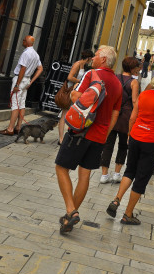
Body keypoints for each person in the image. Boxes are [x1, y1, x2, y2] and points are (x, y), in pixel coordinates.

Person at [55, 45, 123, 234]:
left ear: (103, 59)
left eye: (96, 55)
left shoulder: (92, 75)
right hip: (100, 136)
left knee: (61, 168)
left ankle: (71, 210)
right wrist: (105, 134)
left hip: (80, 131)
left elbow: (76, 97)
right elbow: (115, 114)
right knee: (84, 176)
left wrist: (77, 95)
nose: (93, 57)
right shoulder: (117, 84)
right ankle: (69, 217)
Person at [105, 71, 154, 225]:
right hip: (151, 141)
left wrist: (130, 134)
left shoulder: (143, 95)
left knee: (130, 170)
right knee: (141, 178)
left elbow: (132, 118)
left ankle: (116, 200)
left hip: (136, 136)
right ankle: (127, 214)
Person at [100, 56, 141, 183]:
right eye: (137, 67)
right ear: (133, 69)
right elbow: (135, 101)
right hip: (126, 116)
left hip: (113, 114)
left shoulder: (115, 77)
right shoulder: (134, 82)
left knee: (108, 145)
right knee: (123, 145)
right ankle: (117, 174)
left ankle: (104, 174)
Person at [0, 35, 43, 136]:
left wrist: (17, 84)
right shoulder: (35, 54)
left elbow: (23, 68)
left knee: (15, 104)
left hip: (20, 79)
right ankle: (18, 127)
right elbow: (40, 69)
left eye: (23, 40)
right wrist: (31, 81)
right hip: (27, 80)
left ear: (26, 42)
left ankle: (10, 129)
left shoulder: (26, 53)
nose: (22, 41)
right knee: (21, 104)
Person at [57, 49, 94, 145]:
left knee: (70, 113)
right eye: (91, 59)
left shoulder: (82, 65)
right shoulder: (77, 64)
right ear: (88, 58)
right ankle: (61, 138)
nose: (91, 61)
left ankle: (66, 136)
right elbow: (70, 77)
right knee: (64, 114)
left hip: (75, 91)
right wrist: (80, 81)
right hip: (69, 90)